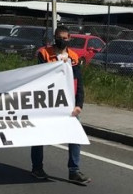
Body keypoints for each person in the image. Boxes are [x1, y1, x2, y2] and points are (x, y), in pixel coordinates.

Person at [31, 25, 90, 184]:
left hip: (67, 105)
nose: (62, 41)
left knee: (74, 134)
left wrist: (79, 105)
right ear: (54, 37)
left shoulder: (74, 57)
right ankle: (37, 167)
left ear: (69, 39)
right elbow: (40, 76)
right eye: (59, 37)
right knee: (40, 135)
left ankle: (74, 170)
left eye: (65, 38)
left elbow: (79, 83)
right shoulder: (44, 53)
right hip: (47, 103)